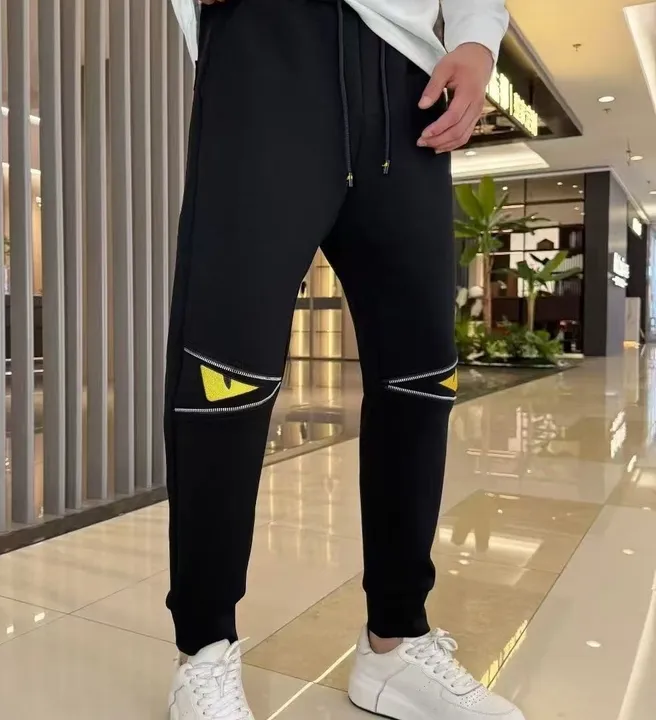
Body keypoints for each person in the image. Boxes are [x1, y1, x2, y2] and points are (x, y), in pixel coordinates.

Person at [165, 1, 524, 718]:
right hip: (267, 46)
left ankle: (395, 641)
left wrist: (480, 42)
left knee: (421, 378)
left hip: (410, 81)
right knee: (224, 371)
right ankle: (203, 650)